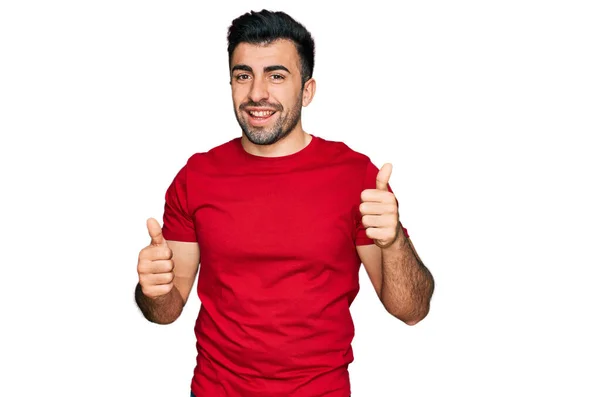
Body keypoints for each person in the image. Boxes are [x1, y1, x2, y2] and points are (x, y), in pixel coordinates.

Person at [134, 9, 434, 397]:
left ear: (307, 91)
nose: (257, 93)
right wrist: (152, 290)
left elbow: (412, 311)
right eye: (244, 75)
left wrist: (393, 241)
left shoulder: (357, 177)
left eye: (276, 76)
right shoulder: (196, 177)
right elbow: (166, 311)